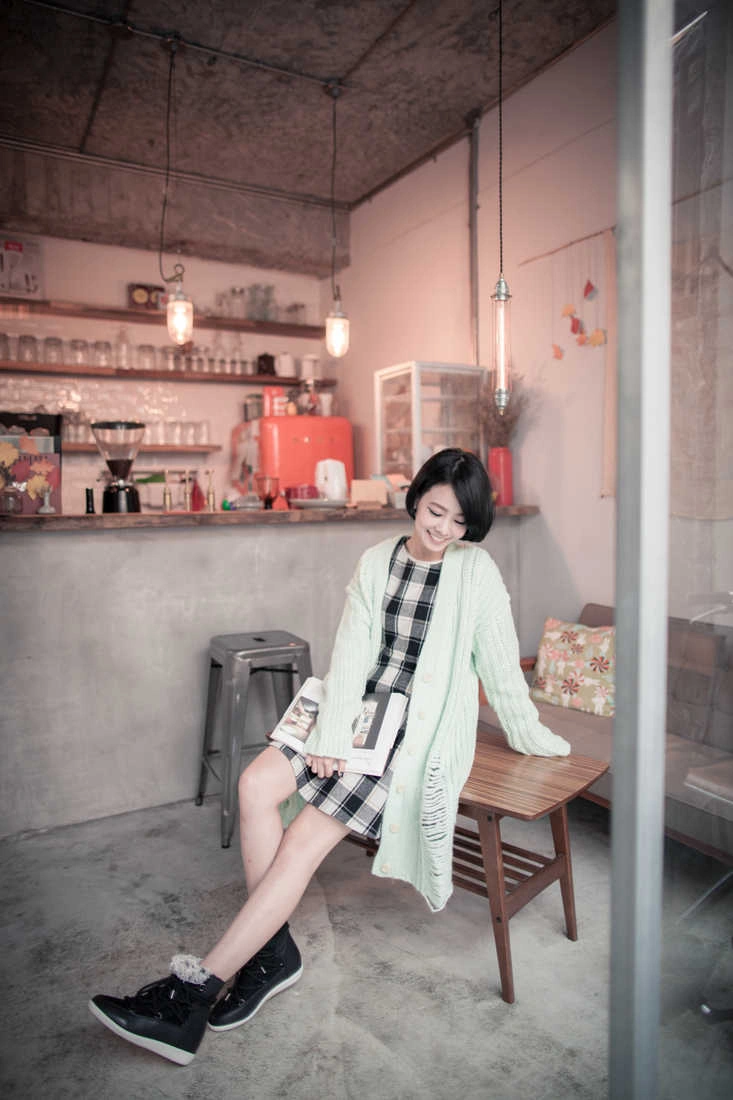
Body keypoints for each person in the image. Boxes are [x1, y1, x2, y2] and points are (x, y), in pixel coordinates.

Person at [89, 448, 570, 1065]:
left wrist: (532, 735)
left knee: (304, 840)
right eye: (435, 511)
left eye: (459, 521)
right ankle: (272, 955)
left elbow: (501, 670)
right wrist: (333, 735)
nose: (444, 529)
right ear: (416, 498)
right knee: (255, 786)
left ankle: (191, 998)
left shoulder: (476, 573)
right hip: (350, 708)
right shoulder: (376, 562)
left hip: (411, 733)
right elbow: (351, 655)